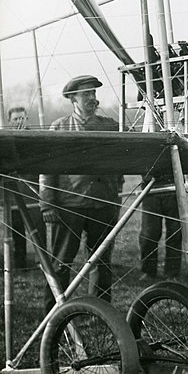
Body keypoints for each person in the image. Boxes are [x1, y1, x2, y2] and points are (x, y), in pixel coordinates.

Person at [39, 75, 123, 312]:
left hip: (103, 205)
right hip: (69, 206)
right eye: (86, 94)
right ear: (72, 98)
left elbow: (119, 165)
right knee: (61, 262)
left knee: (101, 262)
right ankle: (53, 312)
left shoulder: (109, 126)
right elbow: (47, 168)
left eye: (94, 93)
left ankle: (101, 312)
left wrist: (115, 196)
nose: (91, 98)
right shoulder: (59, 127)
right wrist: (47, 204)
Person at [3, 107, 45, 269]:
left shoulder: (35, 138)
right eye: (15, 119)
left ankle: (41, 261)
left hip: (33, 193)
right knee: (17, 230)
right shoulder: (5, 139)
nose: (19, 122)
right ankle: (20, 262)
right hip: (13, 192)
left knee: (37, 230)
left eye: (22, 118)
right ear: (9, 122)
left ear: (26, 119)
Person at [139, 173, 182, 281]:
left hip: (173, 190)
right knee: (149, 234)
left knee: (175, 233)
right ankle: (149, 271)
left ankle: (172, 273)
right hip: (151, 190)